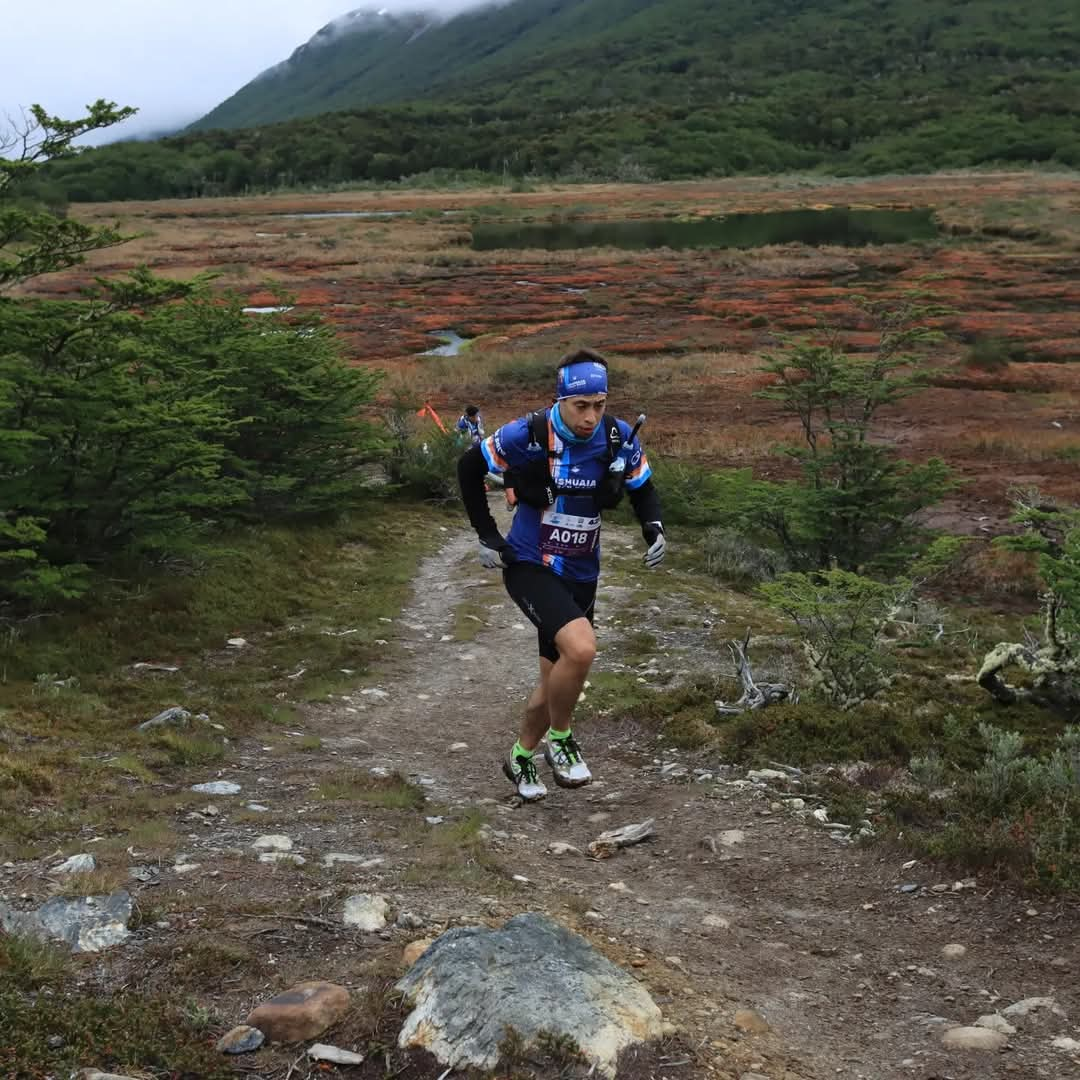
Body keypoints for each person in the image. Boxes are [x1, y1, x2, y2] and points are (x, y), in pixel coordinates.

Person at [457, 347, 666, 801]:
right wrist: (486, 534)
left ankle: (520, 756)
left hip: (582, 570)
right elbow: (470, 466)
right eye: (581, 406)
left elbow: (643, 486)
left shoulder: (616, 435)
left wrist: (653, 526)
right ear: (561, 399)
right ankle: (561, 740)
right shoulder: (528, 433)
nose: (591, 416)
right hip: (531, 563)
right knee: (583, 648)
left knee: (556, 678)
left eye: (600, 404)